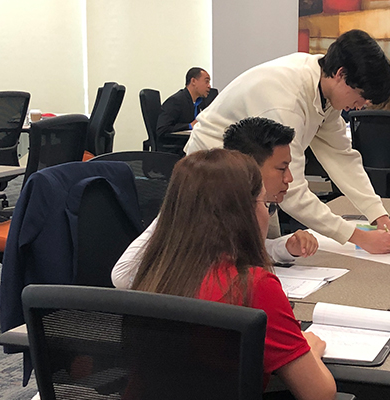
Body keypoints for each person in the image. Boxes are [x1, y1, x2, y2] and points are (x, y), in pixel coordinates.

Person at [184, 29, 390, 254]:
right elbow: (292, 190)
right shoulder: (286, 100)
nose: (360, 106)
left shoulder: (324, 90)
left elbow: (342, 157)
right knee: (232, 252)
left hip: (254, 177)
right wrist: (359, 237)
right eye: (361, 96)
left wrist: (380, 218)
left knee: (264, 249)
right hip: (215, 168)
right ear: (340, 74)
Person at [130, 148, 336, 399]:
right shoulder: (253, 287)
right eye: (265, 203)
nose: (265, 213)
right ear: (243, 213)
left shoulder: (153, 273)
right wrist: (310, 350)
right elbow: (319, 393)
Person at [112, 117, 318, 289]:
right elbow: (121, 276)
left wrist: (285, 248)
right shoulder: (198, 203)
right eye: (282, 168)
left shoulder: (249, 205)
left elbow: (236, 248)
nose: (289, 178)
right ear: (248, 167)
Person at [157, 67, 213, 136]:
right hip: (177, 144)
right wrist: (190, 126)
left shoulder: (201, 102)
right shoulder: (175, 101)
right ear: (193, 81)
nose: (209, 86)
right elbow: (162, 129)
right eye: (206, 81)